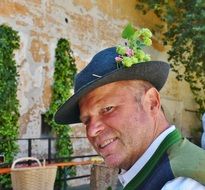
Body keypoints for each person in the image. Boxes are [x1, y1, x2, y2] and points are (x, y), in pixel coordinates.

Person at [54, 46, 205, 189]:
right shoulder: (158, 170)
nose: (92, 130)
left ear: (152, 103)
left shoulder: (181, 184)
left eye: (107, 109)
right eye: (86, 121)